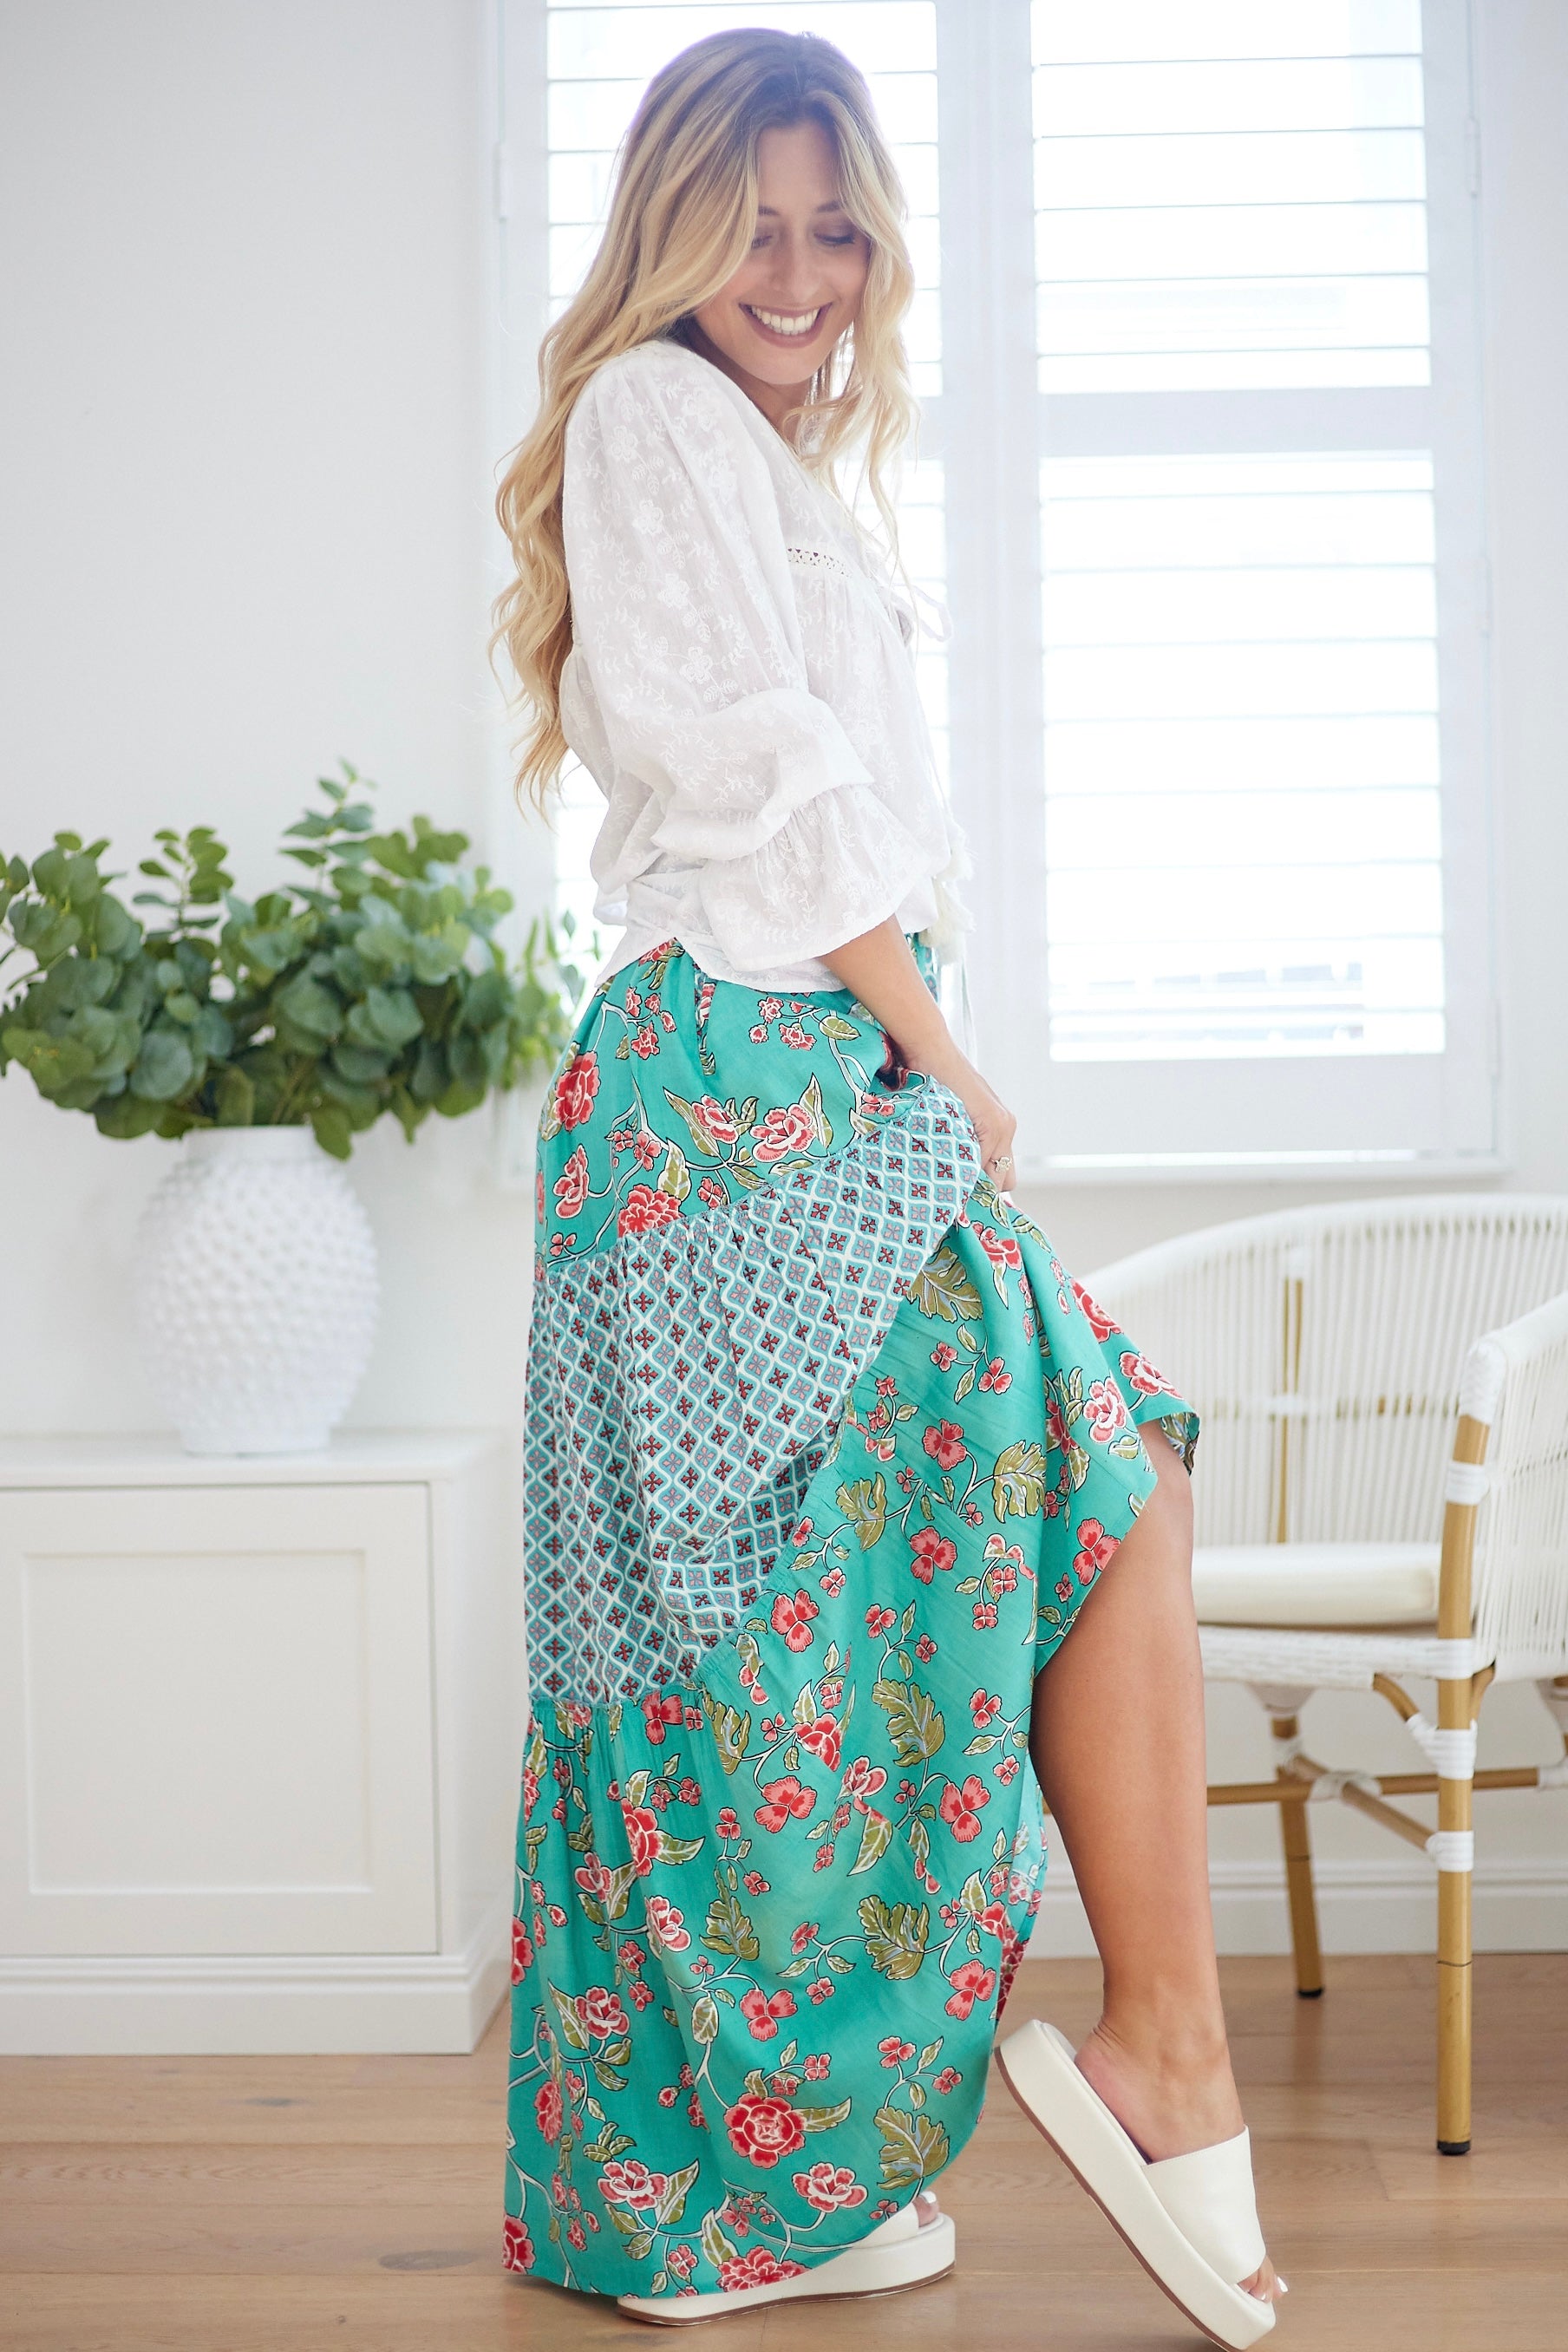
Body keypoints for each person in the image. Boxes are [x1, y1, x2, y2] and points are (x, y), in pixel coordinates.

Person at [490, 28, 1284, 2344]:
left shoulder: (757, 460)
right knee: (822, 1609)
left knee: (830, 1629)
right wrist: (951, 1065)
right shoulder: (652, 414)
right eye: (756, 223)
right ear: (667, 231)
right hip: (752, 1092)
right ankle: (1145, 2062)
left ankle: (809, 2180)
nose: (805, 269)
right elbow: (767, 778)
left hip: (799, 1074)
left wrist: (916, 1052)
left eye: (840, 229)